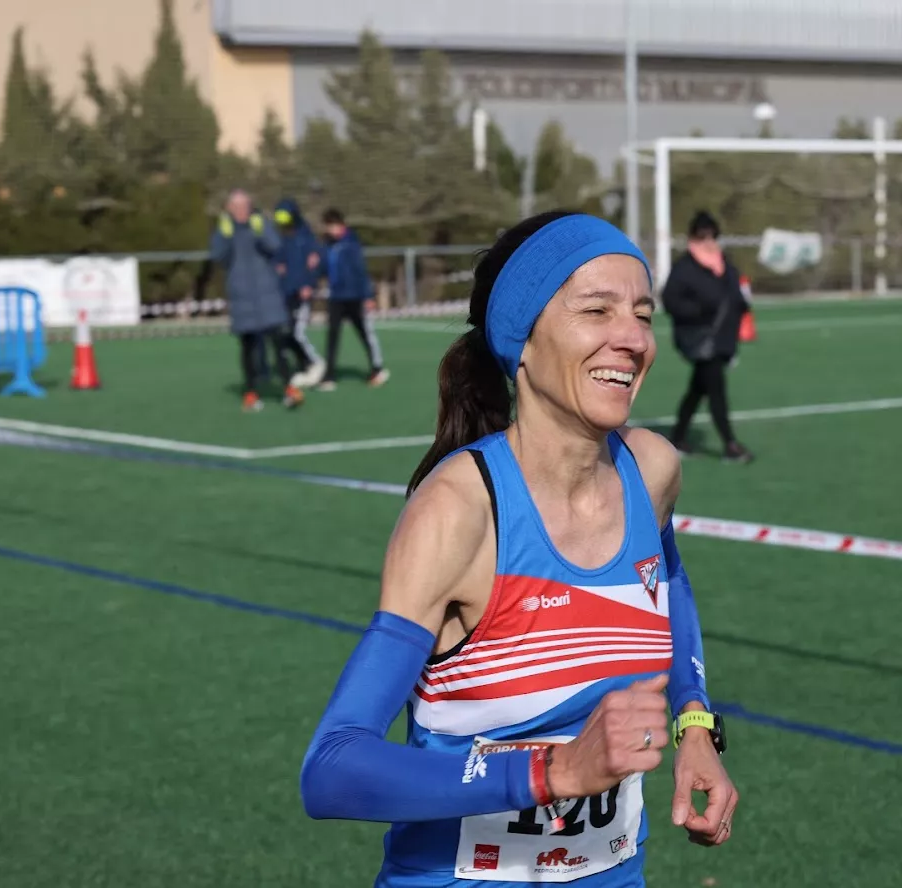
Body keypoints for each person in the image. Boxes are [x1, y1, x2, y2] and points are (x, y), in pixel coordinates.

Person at [299, 211, 737, 887]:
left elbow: (668, 586)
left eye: (642, 315)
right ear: (521, 338)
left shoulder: (650, 471)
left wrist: (695, 722)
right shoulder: (458, 513)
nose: (632, 339)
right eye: (597, 310)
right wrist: (553, 772)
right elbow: (332, 768)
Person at [660, 211, 753, 463]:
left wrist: (743, 304)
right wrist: (699, 311)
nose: (709, 241)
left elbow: (736, 298)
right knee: (716, 390)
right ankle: (730, 445)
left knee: (698, 389)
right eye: (702, 236)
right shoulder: (684, 268)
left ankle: (677, 437)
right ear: (692, 238)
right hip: (699, 340)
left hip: (721, 339)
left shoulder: (726, 266)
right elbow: (671, 301)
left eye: (712, 235)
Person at [210, 189, 305, 412]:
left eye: (245, 206)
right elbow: (218, 257)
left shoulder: (261, 223)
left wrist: (261, 230)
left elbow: (274, 246)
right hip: (242, 298)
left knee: (279, 344)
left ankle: (288, 389)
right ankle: (251, 393)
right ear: (229, 209)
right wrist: (225, 235)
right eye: (236, 207)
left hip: (267, 295)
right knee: (248, 348)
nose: (241, 211)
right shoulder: (224, 229)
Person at [319, 208, 388, 390]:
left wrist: (367, 296)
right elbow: (324, 267)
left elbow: (360, 270)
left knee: (365, 333)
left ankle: (377, 368)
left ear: (340, 225)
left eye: (331, 225)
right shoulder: (328, 245)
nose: (329, 230)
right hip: (336, 296)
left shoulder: (351, 243)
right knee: (332, 336)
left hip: (354, 296)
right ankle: (329, 375)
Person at [272, 197, 327, 389]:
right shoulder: (281, 238)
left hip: (302, 294)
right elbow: (277, 262)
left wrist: (308, 284)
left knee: (298, 333)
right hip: (285, 293)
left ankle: (317, 364)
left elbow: (314, 262)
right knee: (285, 333)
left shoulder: (306, 237)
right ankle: (303, 366)